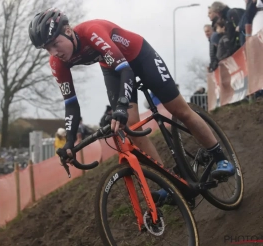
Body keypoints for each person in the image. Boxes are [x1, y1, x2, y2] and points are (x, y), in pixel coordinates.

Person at [28, 8, 235, 202]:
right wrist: (70, 142)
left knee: (179, 110)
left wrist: (121, 106)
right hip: (111, 67)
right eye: (47, 48)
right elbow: (71, 104)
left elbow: (126, 70)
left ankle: (220, 157)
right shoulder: (57, 63)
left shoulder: (91, 32)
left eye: (55, 44)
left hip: (139, 56)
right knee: (131, 127)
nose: (54, 52)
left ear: (67, 31)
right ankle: (169, 182)